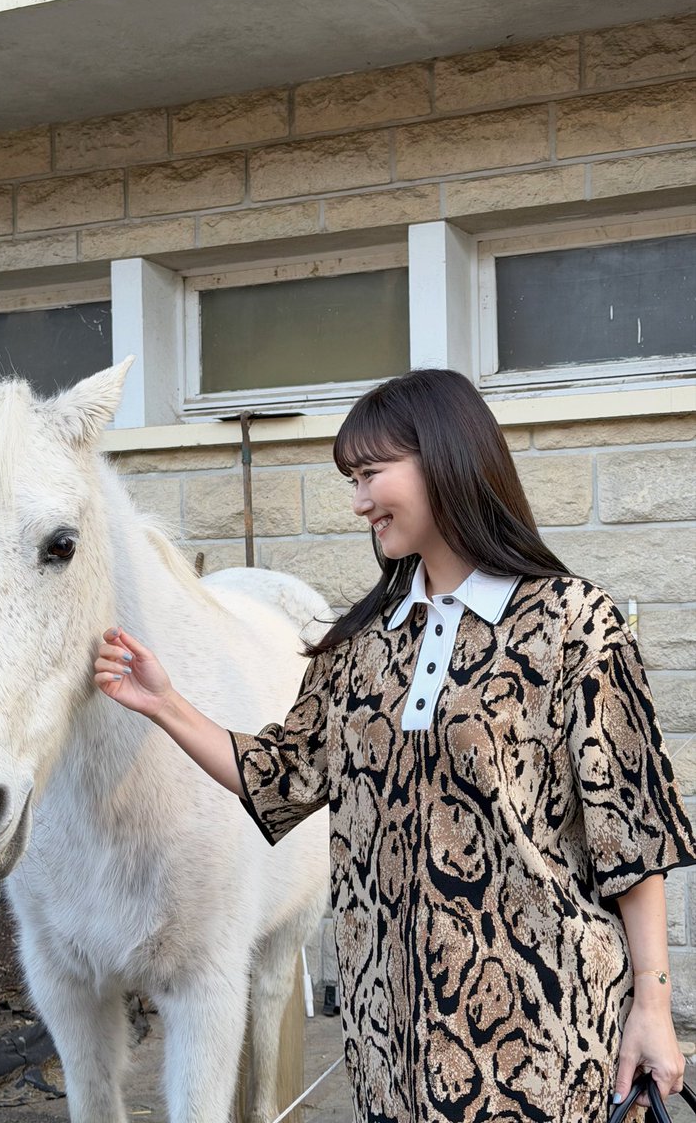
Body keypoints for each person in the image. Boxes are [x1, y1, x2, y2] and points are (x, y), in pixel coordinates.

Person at [94, 368, 695, 1123]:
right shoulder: (361, 646)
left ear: (445, 458)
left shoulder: (574, 625)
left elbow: (631, 839)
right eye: (352, 479)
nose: (358, 501)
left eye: (372, 474)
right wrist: (166, 703)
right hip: (390, 1051)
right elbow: (278, 779)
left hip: (545, 1043)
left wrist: (654, 1006)